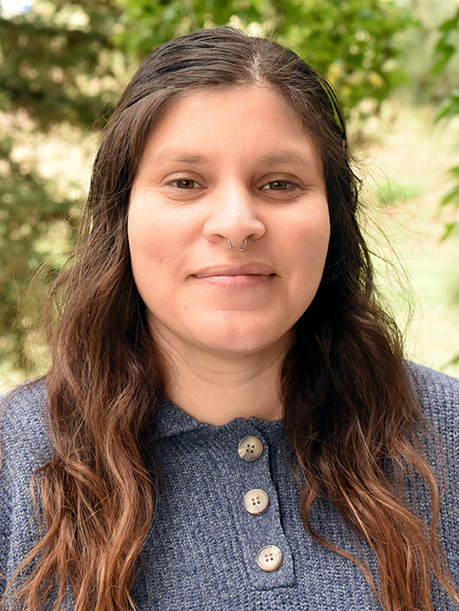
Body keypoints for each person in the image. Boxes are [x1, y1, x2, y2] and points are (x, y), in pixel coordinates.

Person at [0, 26, 458, 611]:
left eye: (279, 184)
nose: (238, 222)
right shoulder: (17, 458)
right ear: (122, 215)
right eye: (186, 182)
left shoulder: (448, 437)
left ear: (332, 217)